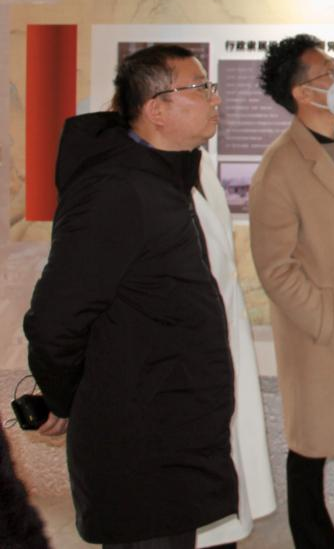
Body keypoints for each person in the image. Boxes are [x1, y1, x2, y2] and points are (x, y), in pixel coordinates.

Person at [24, 44, 236, 548]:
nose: (215, 99)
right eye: (200, 88)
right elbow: (56, 317)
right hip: (139, 440)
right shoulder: (116, 190)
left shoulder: (163, 179)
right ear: (156, 109)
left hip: (172, 429)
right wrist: (62, 396)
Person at [250, 35, 334, 549]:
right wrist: (327, 319)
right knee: (310, 448)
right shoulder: (280, 165)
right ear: (302, 92)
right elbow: (275, 267)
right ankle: (313, 540)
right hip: (323, 336)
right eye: (329, 72)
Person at [193, 147, 277, 547]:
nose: (216, 115)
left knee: (222, 501)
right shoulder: (130, 183)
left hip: (218, 356)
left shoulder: (200, 167)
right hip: (178, 373)